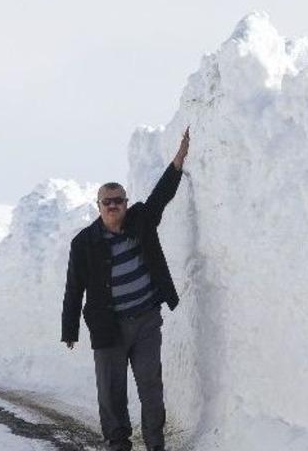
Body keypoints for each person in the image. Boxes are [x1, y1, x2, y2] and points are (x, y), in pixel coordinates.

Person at [62, 127, 190, 451]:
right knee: (111, 392)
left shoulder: (141, 220)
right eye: (107, 202)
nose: (113, 206)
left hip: (146, 320)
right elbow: (74, 288)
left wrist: (179, 159)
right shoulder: (84, 243)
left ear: (126, 203)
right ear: (98, 206)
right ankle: (118, 444)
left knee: (151, 386)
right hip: (108, 327)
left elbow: (161, 195)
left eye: (119, 200)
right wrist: (70, 330)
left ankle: (155, 444)